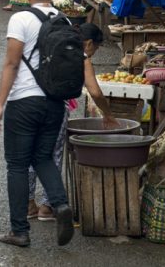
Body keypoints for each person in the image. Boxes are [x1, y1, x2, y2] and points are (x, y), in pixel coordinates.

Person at [0, 0, 75, 248]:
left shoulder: (20, 19)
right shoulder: (64, 19)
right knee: (42, 158)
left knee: (17, 164)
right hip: (54, 103)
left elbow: (12, 63)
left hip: (24, 102)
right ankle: (60, 204)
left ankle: (19, 230)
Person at [27, 24, 116, 221]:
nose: (94, 53)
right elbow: (95, 92)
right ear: (90, 43)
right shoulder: (81, 57)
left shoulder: (48, 47)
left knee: (31, 153)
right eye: (96, 48)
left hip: (31, 104)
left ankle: (28, 204)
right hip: (56, 110)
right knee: (53, 155)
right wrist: (108, 114)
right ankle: (47, 207)